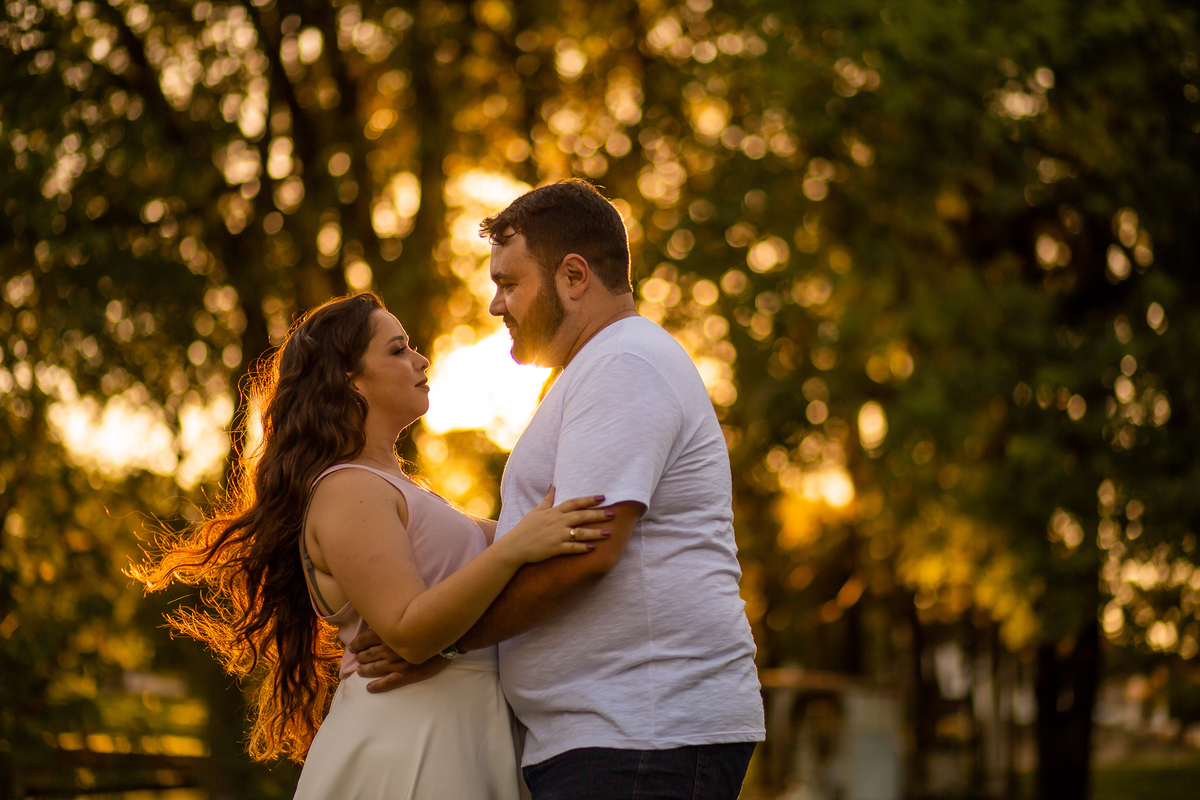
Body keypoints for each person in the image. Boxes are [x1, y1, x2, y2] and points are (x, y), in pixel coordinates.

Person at [352, 180, 765, 800]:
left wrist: (442, 640)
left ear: (574, 277)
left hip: (642, 737)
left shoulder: (625, 363)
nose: (495, 305)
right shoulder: (596, 371)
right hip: (611, 739)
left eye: (509, 283)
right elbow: (537, 538)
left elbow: (587, 551)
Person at [132, 292, 613, 799]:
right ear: (348, 378)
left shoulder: (398, 490)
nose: (420, 359)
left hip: (460, 732)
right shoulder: (347, 490)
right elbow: (406, 628)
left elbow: (530, 540)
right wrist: (514, 549)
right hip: (412, 740)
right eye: (398, 349)